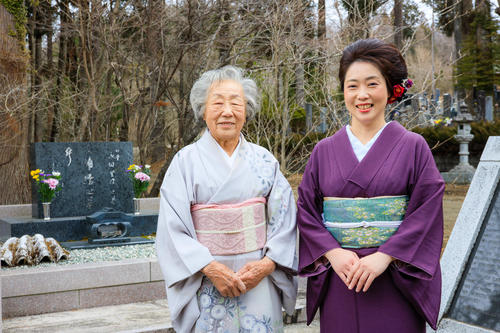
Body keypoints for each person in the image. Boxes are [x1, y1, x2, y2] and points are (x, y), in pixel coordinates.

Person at [297, 39, 444, 333]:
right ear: (343, 91)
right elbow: (306, 211)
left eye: (372, 84)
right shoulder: (324, 151)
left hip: (394, 277)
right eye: (352, 86)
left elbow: (426, 212)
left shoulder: (413, 146)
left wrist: (385, 256)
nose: (362, 95)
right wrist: (333, 253)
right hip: (342, 275)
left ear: (390, 90)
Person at [156, 65, 297, 333]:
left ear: (247, 109)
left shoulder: (265, 161)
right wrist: (210, 268)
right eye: (217, 103)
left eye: (236, 103)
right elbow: (171, 230)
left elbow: (285, 222)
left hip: (259, 280)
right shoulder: (184, 163)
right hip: (207, 280)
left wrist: (267, 265)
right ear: (203, 110)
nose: (227, 111)